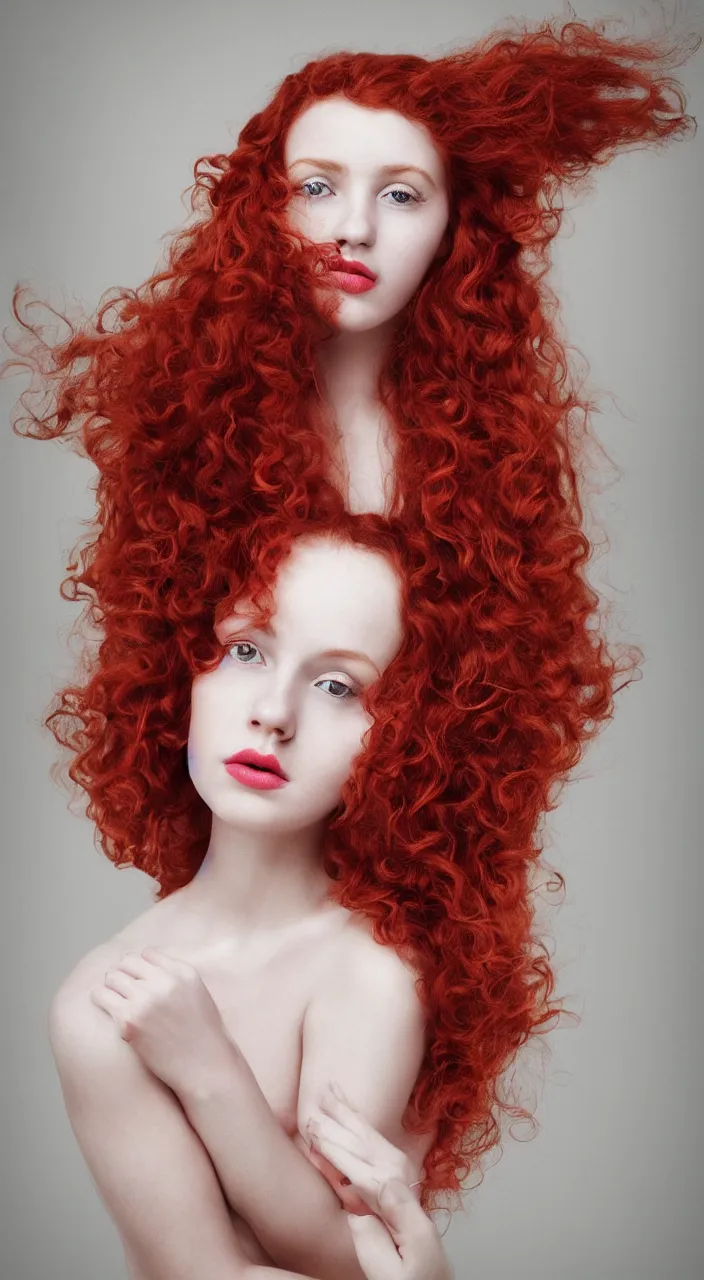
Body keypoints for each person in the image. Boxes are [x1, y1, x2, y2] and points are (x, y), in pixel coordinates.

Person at [4, 8, 697, 1266]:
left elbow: (476, 716)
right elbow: (180, 660)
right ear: (262, 206)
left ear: (455, 230)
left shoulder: (481, 466)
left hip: (402, 850)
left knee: (365, 1198)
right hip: (260, 862)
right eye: (315, 185)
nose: (351, 229)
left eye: (400, 194)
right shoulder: (198, 428)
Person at [50, 523, 453, 1280]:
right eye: (246, 650)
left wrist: (209, 1071)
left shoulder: (375, 972)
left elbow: (351, 1255)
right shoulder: (106, 1002)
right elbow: (207, 1272)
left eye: (338, 685)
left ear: (403, 740)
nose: (275, 711)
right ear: (178, 670)